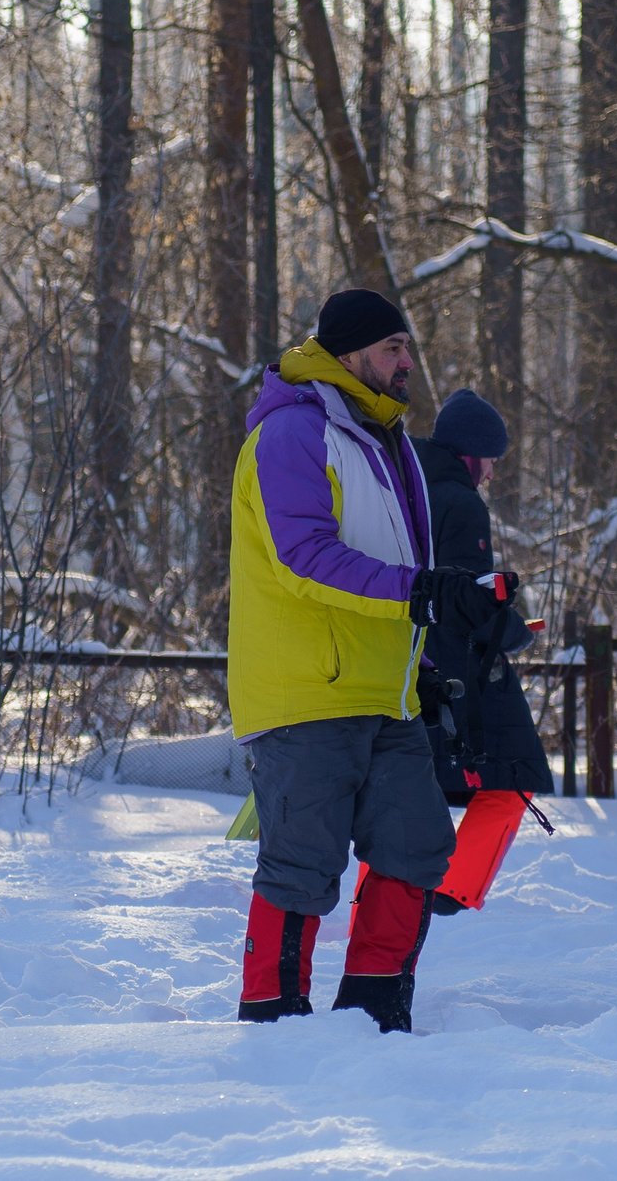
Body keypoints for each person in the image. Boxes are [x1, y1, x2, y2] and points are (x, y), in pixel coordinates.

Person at [227, 287, 505, 1032]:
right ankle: (274, 1021)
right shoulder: (293, 432)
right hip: (307, 692)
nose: (407, 361)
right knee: (302, 865)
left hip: (387, 693)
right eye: (393, 348)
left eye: (406, 346)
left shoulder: (385, 440)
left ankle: (375, 1014)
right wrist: (421, 592)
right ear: (350, 354)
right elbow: (303, 557)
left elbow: (394, 563)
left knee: (418, 846)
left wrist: (428, 654)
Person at [411, 389, 553, 915]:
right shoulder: (462, 502)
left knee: (405, 784)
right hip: (463, 669)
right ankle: (453, 888)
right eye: (491, 460)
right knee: (516, 774)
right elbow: (468, 599)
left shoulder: (407, 487)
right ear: (470, 454)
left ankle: (383, 897)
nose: (491, 473)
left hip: (408, 659)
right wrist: (513, 632)